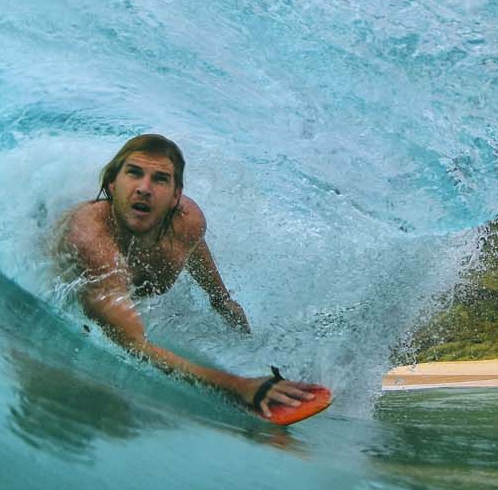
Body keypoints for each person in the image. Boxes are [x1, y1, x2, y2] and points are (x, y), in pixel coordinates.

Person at [53, 133, 320, 420]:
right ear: (112, 183)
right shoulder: (92, 239)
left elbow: (192, 246)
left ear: (176, 196)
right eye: (134, 173)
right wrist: (239, 386)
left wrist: (221, 298)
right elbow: (133, 344)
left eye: (160, 179)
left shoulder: (187, 220)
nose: (144, 188)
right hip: (76, 290)